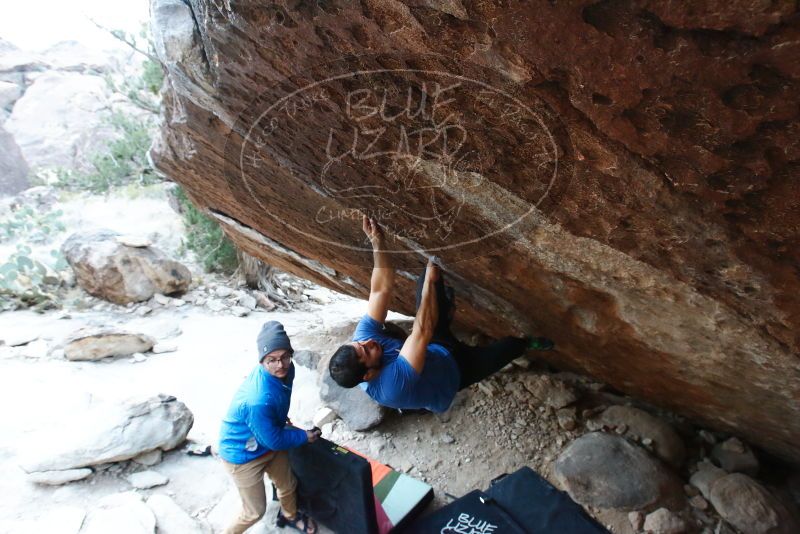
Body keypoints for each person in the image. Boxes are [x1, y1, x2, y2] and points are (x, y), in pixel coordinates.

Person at [328, 215, 553, 413]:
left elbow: (380, 290)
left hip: (433, 346)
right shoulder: (391, 387)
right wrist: (429, 281)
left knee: (429, 284)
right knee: (508, 347)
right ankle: (528, 343)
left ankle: (444, 308)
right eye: (366, 351)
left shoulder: (362, 340)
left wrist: (377, 241)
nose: (368, 342)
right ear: (367, 375)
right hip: (456, 373)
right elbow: (421, 331)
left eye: (360, 344)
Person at [219, 321, 320, 534]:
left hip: (266, 439)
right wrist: (304, 437)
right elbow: (273, 440)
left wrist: (282, 420)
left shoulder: (286, 370)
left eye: (284, 356)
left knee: (287, 484)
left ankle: (289, 516)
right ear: (262, 361)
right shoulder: (257, 398)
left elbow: (279, 401)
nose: (280, 365)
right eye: (271, 360)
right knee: (254, 512)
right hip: (242, 455)